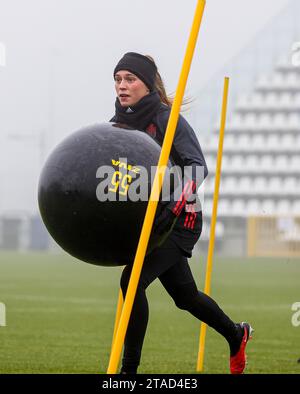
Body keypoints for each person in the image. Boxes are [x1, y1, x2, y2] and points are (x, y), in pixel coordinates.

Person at [110, 52, 253, 374]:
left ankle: (127, 372)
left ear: (147, 84)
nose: (122, 86)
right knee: (185, 297)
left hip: (180, 220)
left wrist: (173, 207)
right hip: (147, 222)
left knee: (132, 282)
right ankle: (236, 333)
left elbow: (197, 167)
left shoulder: (167, 118)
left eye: (130, 79)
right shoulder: (118, 122)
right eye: (118, 79)